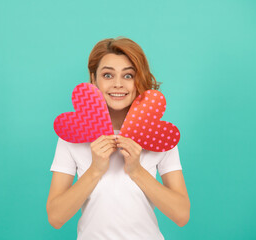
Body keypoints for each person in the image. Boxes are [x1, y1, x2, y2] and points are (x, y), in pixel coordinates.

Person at [46, 37, 190, 240]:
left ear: (138, 79)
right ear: (93, 78)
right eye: (108, 75)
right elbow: (55, 217)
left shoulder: (157, 135)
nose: (118, 84)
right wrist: (95, 170)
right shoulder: (73, 135)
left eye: (128, 75)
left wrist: (136, 170)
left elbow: (181, 214)